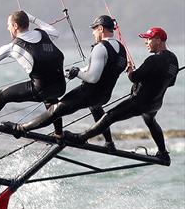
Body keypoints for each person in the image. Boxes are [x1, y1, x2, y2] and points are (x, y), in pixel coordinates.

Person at [4, 15, 127, 146]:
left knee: (55, 110)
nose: (93, 32)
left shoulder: (100, 48)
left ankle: (20, 129)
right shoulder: (121, 49)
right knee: (96, 108)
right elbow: (105, 69)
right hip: (104, 96)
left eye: (94, 29)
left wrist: (77, 73)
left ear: (101, 28)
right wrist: (78, 70)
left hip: (88, 94)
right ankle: (109, 143)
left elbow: (92, 78)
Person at [65, 27, 178, 165]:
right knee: (150, 121)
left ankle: (81, 138)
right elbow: (170, 82)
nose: (146, 42)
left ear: (158, 40)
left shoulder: (153, 60)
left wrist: (130, 70)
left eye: (148, 39)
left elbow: (134, 77)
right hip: (155, 103)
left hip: (139, 102)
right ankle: (163, 153)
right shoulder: (174, 60)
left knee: (109, 116)